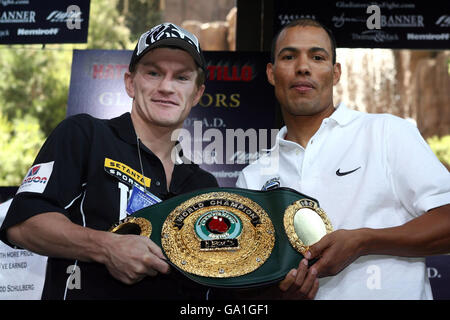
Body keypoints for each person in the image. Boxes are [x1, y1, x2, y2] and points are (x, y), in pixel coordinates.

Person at [0, 22, 219, 300]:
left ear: (197, 93)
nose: (166, 86)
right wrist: (106, 247)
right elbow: (24, 224)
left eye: (182, 77)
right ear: (130, 83)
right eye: (153, 73)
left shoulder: (204, 186)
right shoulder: (85, 135)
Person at [236, 18, 450, 299]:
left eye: (317, 57)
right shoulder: (251, 177)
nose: (303, 67)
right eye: (289, 57)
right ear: (272, 73)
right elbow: (247, 285)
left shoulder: (387, 132)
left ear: (335, 73)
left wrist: (364, 241)